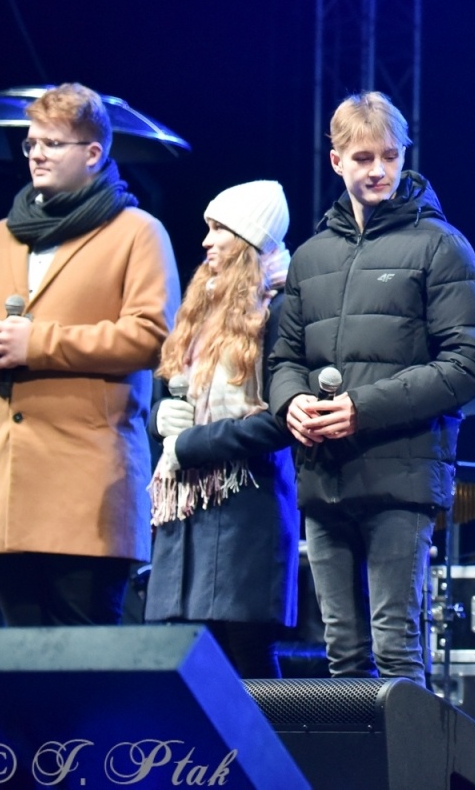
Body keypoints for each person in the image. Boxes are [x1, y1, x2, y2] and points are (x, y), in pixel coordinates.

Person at [270, 92, 475, 684]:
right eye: (363, 157)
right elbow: (284, 357)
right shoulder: (311, 256)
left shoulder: (440, 245)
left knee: (397, 650)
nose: (378, 170)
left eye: (390, 156)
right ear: (336, 160)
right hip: (324, 475)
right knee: (342, 654)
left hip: (401, 475)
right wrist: (290, 402)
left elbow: (470, 362)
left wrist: (360, 410)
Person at [0, 83, 179, 625]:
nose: (35, 153)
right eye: (32, 143)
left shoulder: (137, 234)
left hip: (86, 488)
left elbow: (152, 335)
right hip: (4, 486)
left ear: (93, 153)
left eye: (52, 143)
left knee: (84, 666)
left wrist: (38, 343)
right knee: (20, 669)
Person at [146, 180, 298, 677]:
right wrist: (159, 420)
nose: (207, 240)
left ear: (251, 240)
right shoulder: (199, 311)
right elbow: (164, 389)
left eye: (219, 229)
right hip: (188, 509)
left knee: (248, 655)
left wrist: (195, 443)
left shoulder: (279, 309)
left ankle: (266, 758)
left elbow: (284, 420)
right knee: (195, 662)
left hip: (245, 508)